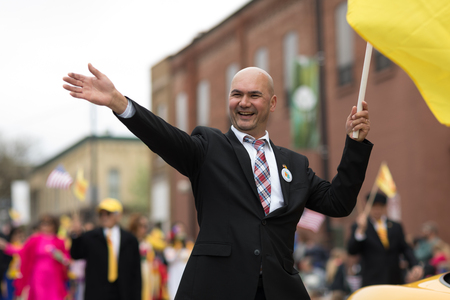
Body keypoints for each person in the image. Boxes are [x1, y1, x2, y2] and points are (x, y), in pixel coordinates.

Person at [63, 64, 372, 300]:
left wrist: (354, 144)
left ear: (274, 102)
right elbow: (164, 137)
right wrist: (119, 102)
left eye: (254, 95)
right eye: (236, 94)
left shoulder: (295, 164)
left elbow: (339, 202)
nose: (243, 103)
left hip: (278, 291)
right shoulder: (208, 147)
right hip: (217, 288)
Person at [70, 198, 141, 300]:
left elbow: (136, 273)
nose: (104, 217)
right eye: (101, 214)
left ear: (118, 215)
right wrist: (75, 236)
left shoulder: (130, 239)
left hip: (123, 292)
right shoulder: (90, 237)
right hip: (97, 292)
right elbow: (76, 254)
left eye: (108, 214)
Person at [347, 193, 423, 287]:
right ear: (368, 207)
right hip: (372, 280)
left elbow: (405, 248)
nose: (377, 210)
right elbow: (352, 250)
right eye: (374, 207)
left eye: (380, 207)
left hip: (394, 278)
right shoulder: (360, 226)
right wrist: (360, 232)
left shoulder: (395, 226)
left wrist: (415, 264)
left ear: (385, 207)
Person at [0, 215, 70, 300]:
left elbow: (66, 260)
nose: (45, 226)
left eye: (48, 223)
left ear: (54, 225)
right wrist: (6, 247)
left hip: (54, 277)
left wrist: (57, 254)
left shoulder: (59, 241)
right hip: (38, 276)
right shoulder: (35, 239)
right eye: (43, 223)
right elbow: (22, 251)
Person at [128, 213, 155, 300]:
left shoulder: (147, 242)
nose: (144, 229)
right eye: (141, 226)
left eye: (146, 226)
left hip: (147, 273)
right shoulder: (129, 241)